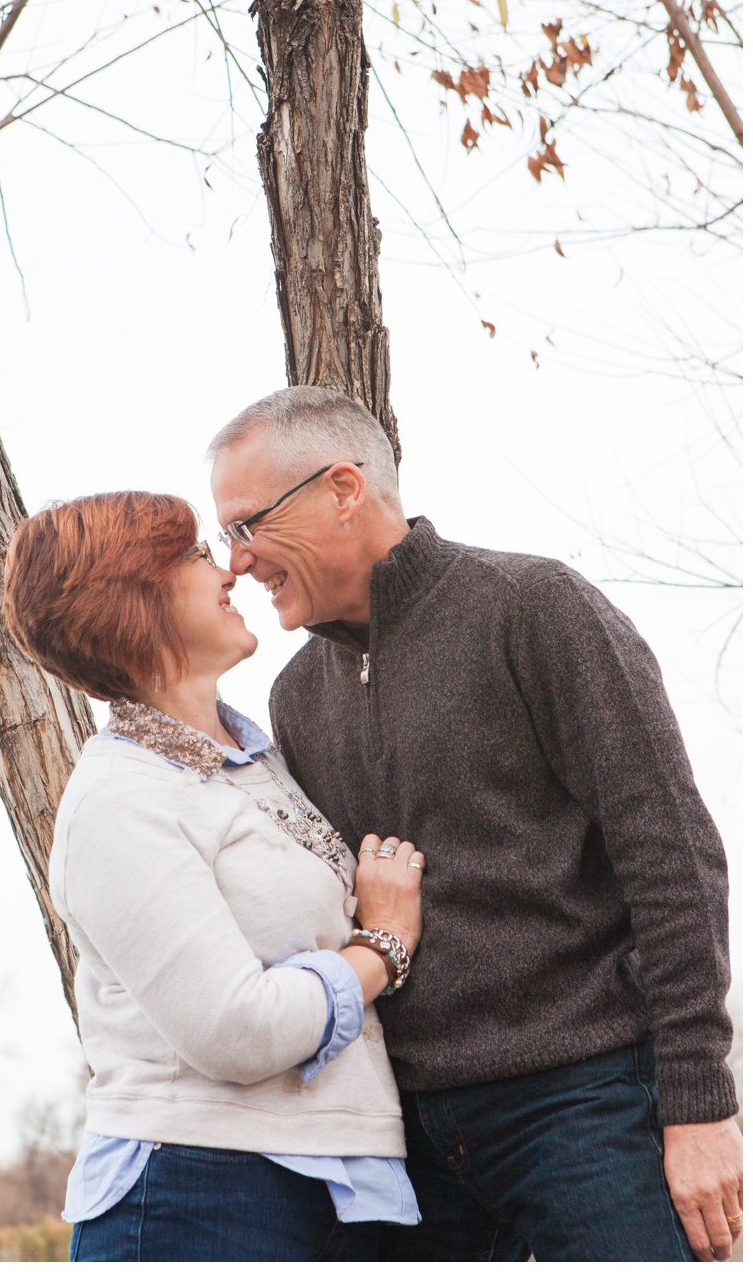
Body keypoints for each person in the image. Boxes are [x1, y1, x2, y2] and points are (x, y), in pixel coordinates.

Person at [207, 385, 740, 1262]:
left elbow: (672, 853)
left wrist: (698, 1101)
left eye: (249, 524)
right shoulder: (296, 695)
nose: (237, 560)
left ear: (344, 488)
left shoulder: (534, 607)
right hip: (404, 1136)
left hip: (585, 1103)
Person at [2, 490, 427, 1261]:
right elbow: (235, 1028)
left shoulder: (254, 765)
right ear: (134, 599)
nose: (231, 567)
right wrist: (383, 945)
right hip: (197, 1194)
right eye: (197, 554)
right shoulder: (120, 800)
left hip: (334, 1181)